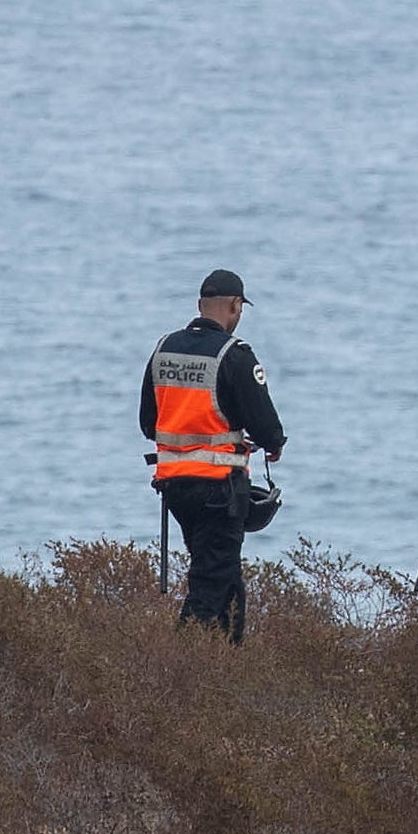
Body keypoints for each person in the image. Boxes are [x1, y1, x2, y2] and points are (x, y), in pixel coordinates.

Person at [139, 267, 285, 640]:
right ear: (235, 306)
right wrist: (274, 445)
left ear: (199, 305)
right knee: (210, 583)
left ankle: (227, 662)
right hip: (219, 488)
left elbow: (147, 423)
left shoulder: (163, 349)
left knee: (226, 578)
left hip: (174, 486)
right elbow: (267, 426)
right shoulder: (233, 355)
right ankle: (180, 666)